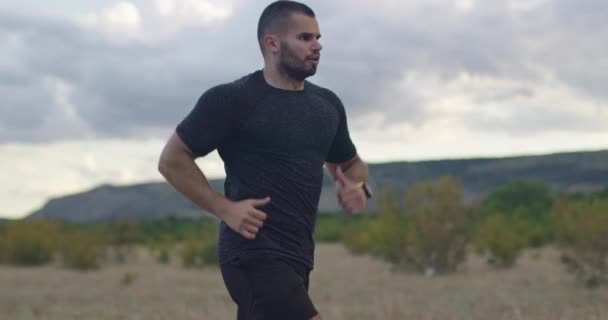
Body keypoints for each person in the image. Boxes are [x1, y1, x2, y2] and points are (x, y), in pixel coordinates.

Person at [158, 1, 372, 319]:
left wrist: (358, 186)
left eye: (317, 37)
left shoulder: (326, 106)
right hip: (251, 252)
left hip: (299, 255)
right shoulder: (232, 100)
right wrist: (224, 208)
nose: (317, 45)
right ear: (272, 43)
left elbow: (351, 164)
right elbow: (172, 160)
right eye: (305, 38)